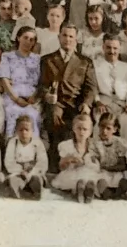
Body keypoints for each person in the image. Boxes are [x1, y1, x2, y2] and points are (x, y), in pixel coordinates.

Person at [39, 25, 98, 170]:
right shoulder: (47, 60)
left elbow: (91, 88)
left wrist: (86, 104)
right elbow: (42, 84)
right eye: (64, 35)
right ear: (59, 37)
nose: (67, 39)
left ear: (76, 39)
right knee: (53, 116)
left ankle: (78, 163)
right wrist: (47, 94)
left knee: (80, 122)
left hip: (76, 103)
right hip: (57, 102)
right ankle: (55, 163)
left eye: (71, 36)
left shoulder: (85, 61)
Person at [92, 34, 127, 146]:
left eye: (115, 48)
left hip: (122, 105)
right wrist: (97, 101)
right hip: (104, 104)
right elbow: (92, 86)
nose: (112, 51)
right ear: (103, 47)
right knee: (101, 122)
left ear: (120, 49)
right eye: (108, 47)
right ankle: (97, 154)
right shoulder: (95, 66)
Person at [51, 114, 103, 203]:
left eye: (85, 129)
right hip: (72, 172)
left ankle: (88, 190)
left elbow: (98, 166)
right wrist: (69, 159)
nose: (81, 132)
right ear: (73, 129)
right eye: (79, 128)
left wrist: (92, 163)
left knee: (92, 178)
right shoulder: (66, 145)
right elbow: (61, 166)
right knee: (76, 179)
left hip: (89, 171)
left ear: (90, 132)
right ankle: (80, 190)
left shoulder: (94, 146)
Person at [4, 114, 49, 199]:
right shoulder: (13, 142)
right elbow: (8, 161)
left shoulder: (37, 143)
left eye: (27, 130)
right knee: (14, 180)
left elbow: (43, 162)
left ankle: (36, 190)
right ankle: (17, 191)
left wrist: (31, 172)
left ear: (32, 131)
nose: (24, 132)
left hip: (33, 172)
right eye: (21, 130)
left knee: (37, 178)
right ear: (16, 131)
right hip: (18, 172)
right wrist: (20, 171)